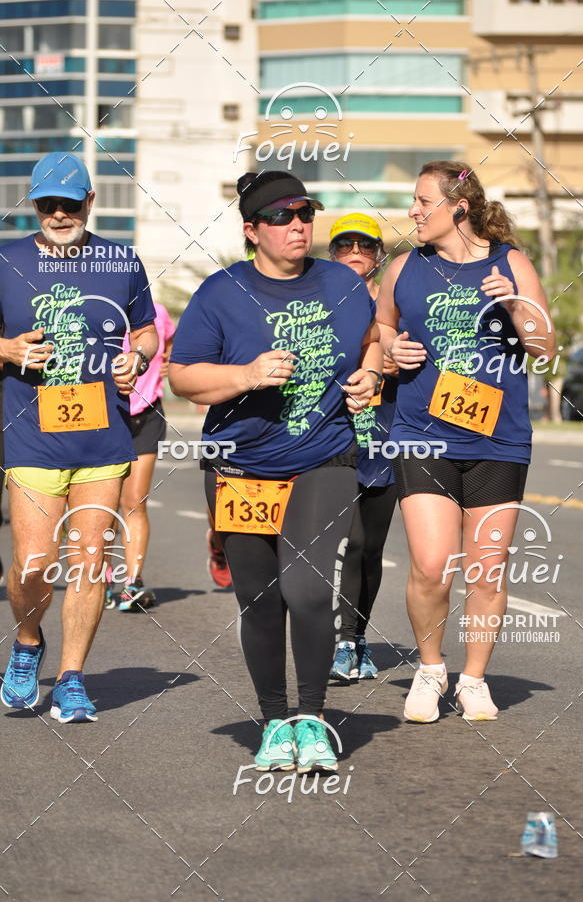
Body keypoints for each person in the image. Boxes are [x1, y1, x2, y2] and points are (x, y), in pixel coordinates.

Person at [169, 170, 382, 771]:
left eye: (305, 214)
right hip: (240, 466)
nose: (298, 226)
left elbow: (372, 338)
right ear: (252, 230)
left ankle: (312, 719)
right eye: (283, 217)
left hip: (325, 456)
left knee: (308, 590)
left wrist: (372, 372)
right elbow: (181, 375)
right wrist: (244, 376)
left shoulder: (342, 282)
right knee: (260, 600)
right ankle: (273, 722)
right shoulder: (221, 293)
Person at [376, 160, 556, 722]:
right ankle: (431, 669)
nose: (412, 211)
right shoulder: (404, 267)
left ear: (458, 208)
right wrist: (389, 353)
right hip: (421, 434)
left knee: (487, 568)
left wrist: (515, 307)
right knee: (432, 566)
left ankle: (473, 678)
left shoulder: (512, 263)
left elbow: (545, 347)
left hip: (497, 440)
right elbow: (382, 325)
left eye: (422, 201)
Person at [0, 152, 157, 723]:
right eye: (48, 204)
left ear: (90, 202)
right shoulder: (6, 259)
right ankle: (26, 640)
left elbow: (145, 329)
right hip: (32, 435)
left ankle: (71, 677)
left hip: (102, 436)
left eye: (70, 203)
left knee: (89, 562)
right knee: (33, 563)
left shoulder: (121, 261)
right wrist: (8, 349)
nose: (59, 214)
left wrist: (137, 357)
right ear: (34, 205)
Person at [327, 214, 398, 681]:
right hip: (332, 438)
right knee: (340, 545)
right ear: (332, 254)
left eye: (365, 246)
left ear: (378, 256)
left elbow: (400, 355)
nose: (355, 252)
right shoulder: (322, 299)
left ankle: (357, 639)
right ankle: (336, 639)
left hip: (386, 436)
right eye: (345, 245)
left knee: (368, 548)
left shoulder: (392, 304)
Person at [105, 301, 175, 611]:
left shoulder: (157, 312)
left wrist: (170, 362)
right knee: (103, 505)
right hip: (104, 414)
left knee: (134, 501)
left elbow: (171, 345)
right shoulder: (101, 307)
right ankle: (103, 578)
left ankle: (132, 582)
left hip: (146, 413)